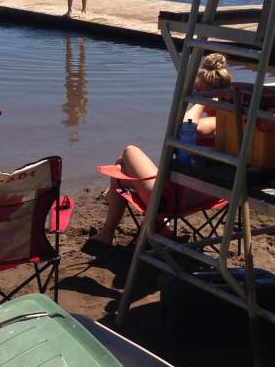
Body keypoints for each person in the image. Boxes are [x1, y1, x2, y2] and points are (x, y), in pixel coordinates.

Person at [88, 55, 231, 245]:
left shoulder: (214, 122)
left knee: (128, 152)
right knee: (121, 167)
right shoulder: (234, 124)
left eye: (196, 90)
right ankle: (154, 224)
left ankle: (112, 228)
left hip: (176, 200)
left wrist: (201, 102)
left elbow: (184, 125)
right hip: (207, 195)